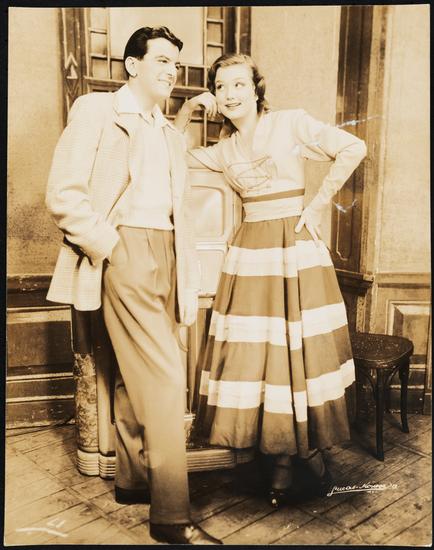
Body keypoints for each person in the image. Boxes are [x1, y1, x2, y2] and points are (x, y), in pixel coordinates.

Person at [45, 26, 221, 545]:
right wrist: (110, 246)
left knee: (133, 373)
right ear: (132, 65)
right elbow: (63, 193)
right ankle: (172, 515)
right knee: (165, 380)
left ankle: (134, 479)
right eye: (161, 60)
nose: (172, 71)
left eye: (175, 64)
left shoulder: (165, 129)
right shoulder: (98, 111)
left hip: (168, 254)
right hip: (124, 252)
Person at [174, 53, 367, 507]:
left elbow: (353, 147)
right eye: (220, 87)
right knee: (260, 357)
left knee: (295, 351)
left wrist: (316, 205)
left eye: (238, 84)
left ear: (256, 89)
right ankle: (278, 456)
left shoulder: (290, 122)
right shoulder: (223, 151)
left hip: (293, 250)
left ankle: (302, 454)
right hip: (249, 255)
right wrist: (186, 110)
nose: (229, 94)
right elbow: (171, 158)